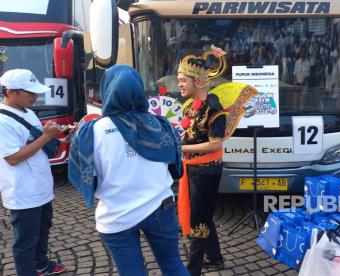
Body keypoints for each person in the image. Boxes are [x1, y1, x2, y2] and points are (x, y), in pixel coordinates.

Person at [68, 65, 188, 276]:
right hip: (161, 207)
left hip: (116, 215)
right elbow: (175, 167)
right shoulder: (161, 125)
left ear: (107, 90)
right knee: (173, 266)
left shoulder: (90, 133)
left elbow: (87, 178)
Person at [0, 69, 67, 276]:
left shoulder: (28, 112)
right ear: (11, 92)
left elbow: (35, 141)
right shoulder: (2, 121)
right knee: (25, 241)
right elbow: (13, 158)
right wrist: (47, 137)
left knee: (43, 229)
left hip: (41, 186)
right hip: (23, 192)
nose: (35, 97)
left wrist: (59, 137)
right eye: (30, 92)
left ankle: (41, 264)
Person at [177, 52, 227, 276]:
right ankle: (215, 258)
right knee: (203, 212)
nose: (179, 84)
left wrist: (182, 149)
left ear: (197, 81)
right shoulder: (190, 107)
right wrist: (181, 140)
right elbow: (191, 134)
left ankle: (193, 269)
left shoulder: (215, 110)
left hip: (207, 170)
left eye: (182, 80)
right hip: (192, 168)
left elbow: (215, 145)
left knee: (199, 218)